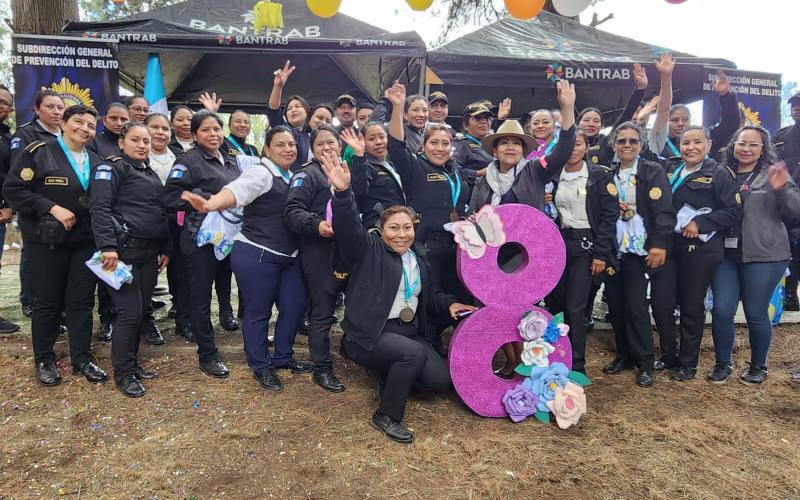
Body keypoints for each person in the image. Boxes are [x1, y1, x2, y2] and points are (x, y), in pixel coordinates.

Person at [320, 151, 475, 443]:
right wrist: (343, 193)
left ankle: (388, 372)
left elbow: (431, 296)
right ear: (381, 230)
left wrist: (450, 304)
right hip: (369, 334)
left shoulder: (419, 257)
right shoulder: (369, 250)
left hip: (407, 332)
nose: (401, 234)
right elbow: (349, 228)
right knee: (412, 354)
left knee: (439, 381)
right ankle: (387, 415)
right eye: (393, 228)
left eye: (406, 228)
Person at [183, 126, 313, 390]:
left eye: (291, 145)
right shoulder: (261, 172)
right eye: (280, 145)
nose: (288, 149)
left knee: (292, 307)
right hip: (258, 252)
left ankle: (283, 357)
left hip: (289, 256)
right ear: (266, 149)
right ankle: (260, 365)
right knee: (258, 312)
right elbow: (236, 191)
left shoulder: (292, 175)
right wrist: (211, 203)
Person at [4, 105, 107, 386]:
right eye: (78, 122)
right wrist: (51, 207)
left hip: (85, 242)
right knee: (47, 303)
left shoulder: (97, 161)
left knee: (81, 302)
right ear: (63, 123)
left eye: (90, 125)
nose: (84, 129)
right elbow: (14, 190)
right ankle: (44, 359)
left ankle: (82, 358)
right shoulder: (39, 151)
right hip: (46, 242)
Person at [710, 126, 800, 385]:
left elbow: (795, 210)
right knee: (722, 309)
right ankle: (722, 363)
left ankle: (759, 366)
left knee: (755, 312)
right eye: (741, 143)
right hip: (726, 254)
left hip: (765, 254)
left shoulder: (772, 173)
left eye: (753, 145)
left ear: (763, 149)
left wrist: (781, 188)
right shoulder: (721, 173)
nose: (746, 149)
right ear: (733, 146)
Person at [385, 81, 470, 353]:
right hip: (425, 247)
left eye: (446, 143)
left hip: (455, 248)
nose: (440, 148)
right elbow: (396, 146)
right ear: (422, 146)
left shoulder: (456, 174)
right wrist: (398, 108)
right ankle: (428, 350)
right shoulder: (414, 167)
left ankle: (455, 350)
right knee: (429, 299)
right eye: (434, 142)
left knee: (454, 296)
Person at [89, 122, 171, 397]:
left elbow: (160, 213)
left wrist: (166, 248)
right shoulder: (111, 167)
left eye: (146, 141)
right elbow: (99, 208)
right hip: (121, 255)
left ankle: (132, 365)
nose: (142, 145)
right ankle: (123, 374)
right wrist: (107, 247)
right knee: (129, 313)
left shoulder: (148, 172)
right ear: (121, 142)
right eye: (136, 140)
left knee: (140, 311)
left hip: (148, 253)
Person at [657, 126, 741, 381]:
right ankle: (668, 356)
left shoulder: (718, 173)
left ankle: (687, 363)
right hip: (669, 245)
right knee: (661, 303)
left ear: (709, 144)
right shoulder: (671, 169)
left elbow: (734, 211)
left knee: (691, 305)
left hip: (700, 248)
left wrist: (701, 223)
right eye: (685, 143)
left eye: (697, 142)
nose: (690, 147)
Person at [164, 110, 241, 378]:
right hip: (199, 237)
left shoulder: (229, 159)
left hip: (228, 237)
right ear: (195, 134)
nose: (213, 134)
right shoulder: (187, 160)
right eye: (206, 130)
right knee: (200, 295)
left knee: (225, 284)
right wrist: (206, 198)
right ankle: (207, 353)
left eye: (217, 129)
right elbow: (170, 196)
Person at [602, 122, 676, 388]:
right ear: (613, 146)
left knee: (635, 306)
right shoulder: (608, 173)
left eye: (633, 141)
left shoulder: (651, 170)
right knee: (616, 305)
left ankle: (645, 362)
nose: (627, 146)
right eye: (621, 141)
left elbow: (665, 211)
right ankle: (624, 355)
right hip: (614, 249)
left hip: (639, 250)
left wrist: (659, 244)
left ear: (641, 145)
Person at [546, 128, 618, 376]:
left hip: (587, 248)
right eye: (568, 145)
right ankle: (556, 356)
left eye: (578, 145)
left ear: (587, 147)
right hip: (559, 245)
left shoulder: (599, 176)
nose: (573, 150)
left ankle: (576, 366)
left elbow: (610, 217)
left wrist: (600, 254)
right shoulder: (555, 176)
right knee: (555, 304)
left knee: (575, 308)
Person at [285, 125, 348, 393]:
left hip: (347, 251)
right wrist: (316, 224)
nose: (327, 148)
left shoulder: (345, 172)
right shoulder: (306, 174)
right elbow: (292, 211)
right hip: (319, 252)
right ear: (312, 147)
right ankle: (322, 369)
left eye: (331, 142)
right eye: (320, 143)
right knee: (322, 313)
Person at [10, 90, 65, 319]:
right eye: (50, 107)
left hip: (64, 211)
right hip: (36, 210)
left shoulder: (66, 134)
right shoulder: (26, 135)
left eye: (60, 108)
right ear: (36, 109)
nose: (56, 112)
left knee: (58, 261)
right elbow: (19, 176)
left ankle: (57, 305)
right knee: (33, 258)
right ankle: (31, 301)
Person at [146, 113, 194, 342]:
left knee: (180, 273)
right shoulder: (135, 158)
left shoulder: (179, 157)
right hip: (144, 227)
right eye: (154, 127)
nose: (160, 132)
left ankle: (183, 320)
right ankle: (146, 323)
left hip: (175, 224)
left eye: (164, 129)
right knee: (145, 277)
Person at [87, 102, 130, 343]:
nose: (119, 122)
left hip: (128, 225)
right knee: (107, 275)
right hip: (105, 220)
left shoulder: (136, 142)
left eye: (123, 119)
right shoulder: (96, 144)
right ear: (105, 120)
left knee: (127, 282)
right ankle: (106, 320)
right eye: (114, 118)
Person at [577, 63, 648, 166]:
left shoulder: (606, 142)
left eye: (596, 121)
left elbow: (625, 116)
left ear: (602, 126)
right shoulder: (569, 142)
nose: (591, 124)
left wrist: (639, 91)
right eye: (586, 120)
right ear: (578, 123)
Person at [660, 70, 739, 162]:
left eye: (685, 119)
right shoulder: (659, 143)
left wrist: (725, 95)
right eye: (674, 120)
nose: (680, 124)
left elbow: (730, 124)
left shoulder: (704, 137)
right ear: (666, 122)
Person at [341, 124, 405, 229]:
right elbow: (359, 192)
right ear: (363, 143)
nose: (379, 142)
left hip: (400, 222)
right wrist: (358, 156)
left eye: (382, 137)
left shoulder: (392, 163)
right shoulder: (364, 166)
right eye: (371, 139)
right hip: (379, 225)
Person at [772, 92, 800, 311]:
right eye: (794, 105)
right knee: (791, 248)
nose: (796, 108)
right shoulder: (781, 136)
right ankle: (789, 294)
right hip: (787, 200)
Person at [0, 85, 20, 333]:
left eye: (5, 103)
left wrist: (9, 207)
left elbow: (10, 177)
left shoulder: (8, 138)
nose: (1, 106)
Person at [267, 61, 312, 168]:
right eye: (289, 108)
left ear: (307, 111)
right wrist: (278, 86)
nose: (293, 110)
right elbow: (273, 109)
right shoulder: (283, 128)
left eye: (298, 106)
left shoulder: (312, 135)